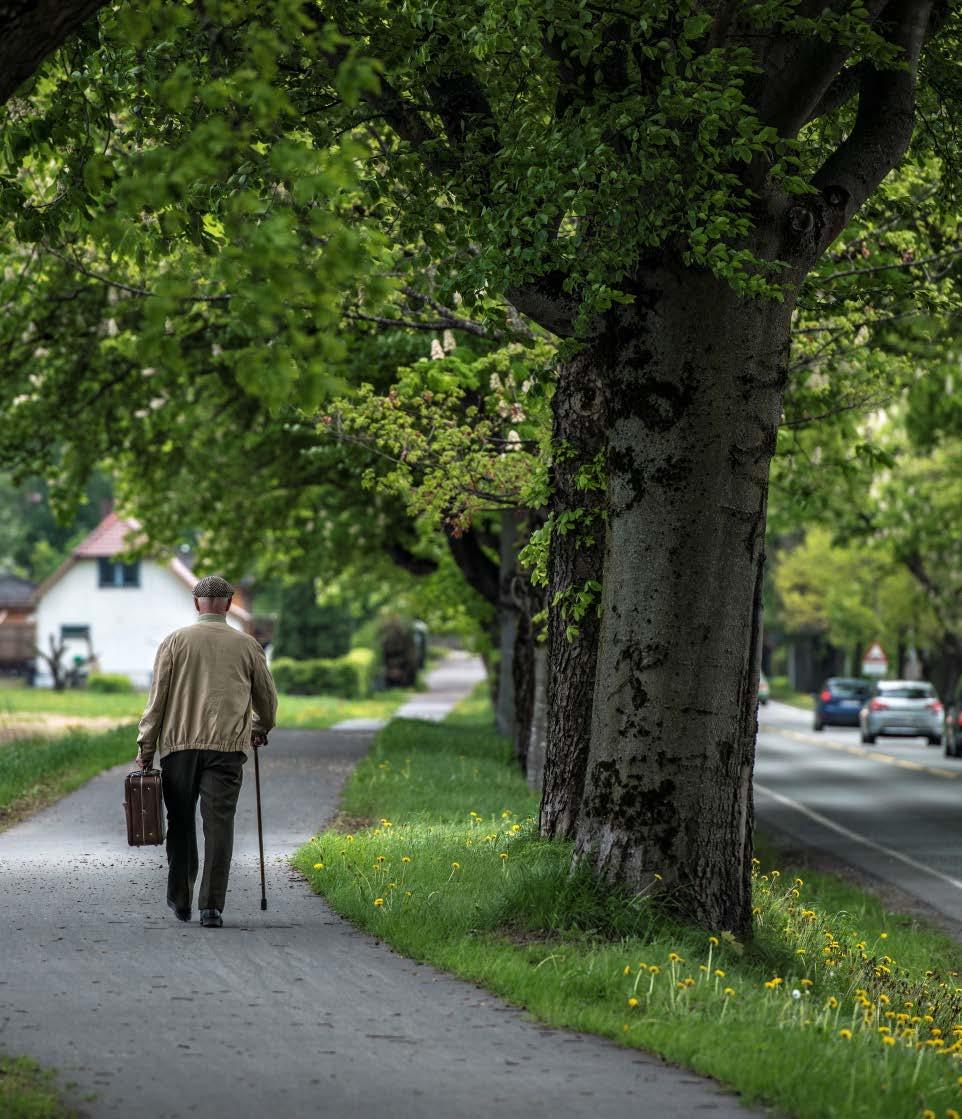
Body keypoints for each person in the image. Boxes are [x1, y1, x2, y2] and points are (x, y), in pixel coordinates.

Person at [135, 575, 277, 928]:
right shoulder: (248, 646)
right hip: (226, 750)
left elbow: (157, 702)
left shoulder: (174, 642)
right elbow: (267, 704)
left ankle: (180, 897)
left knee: (180, 821)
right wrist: (259, 729)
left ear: (196, 603)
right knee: (218, 824)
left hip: (178, 749)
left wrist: (146, 748)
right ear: (229, 605)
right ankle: (211, 907)